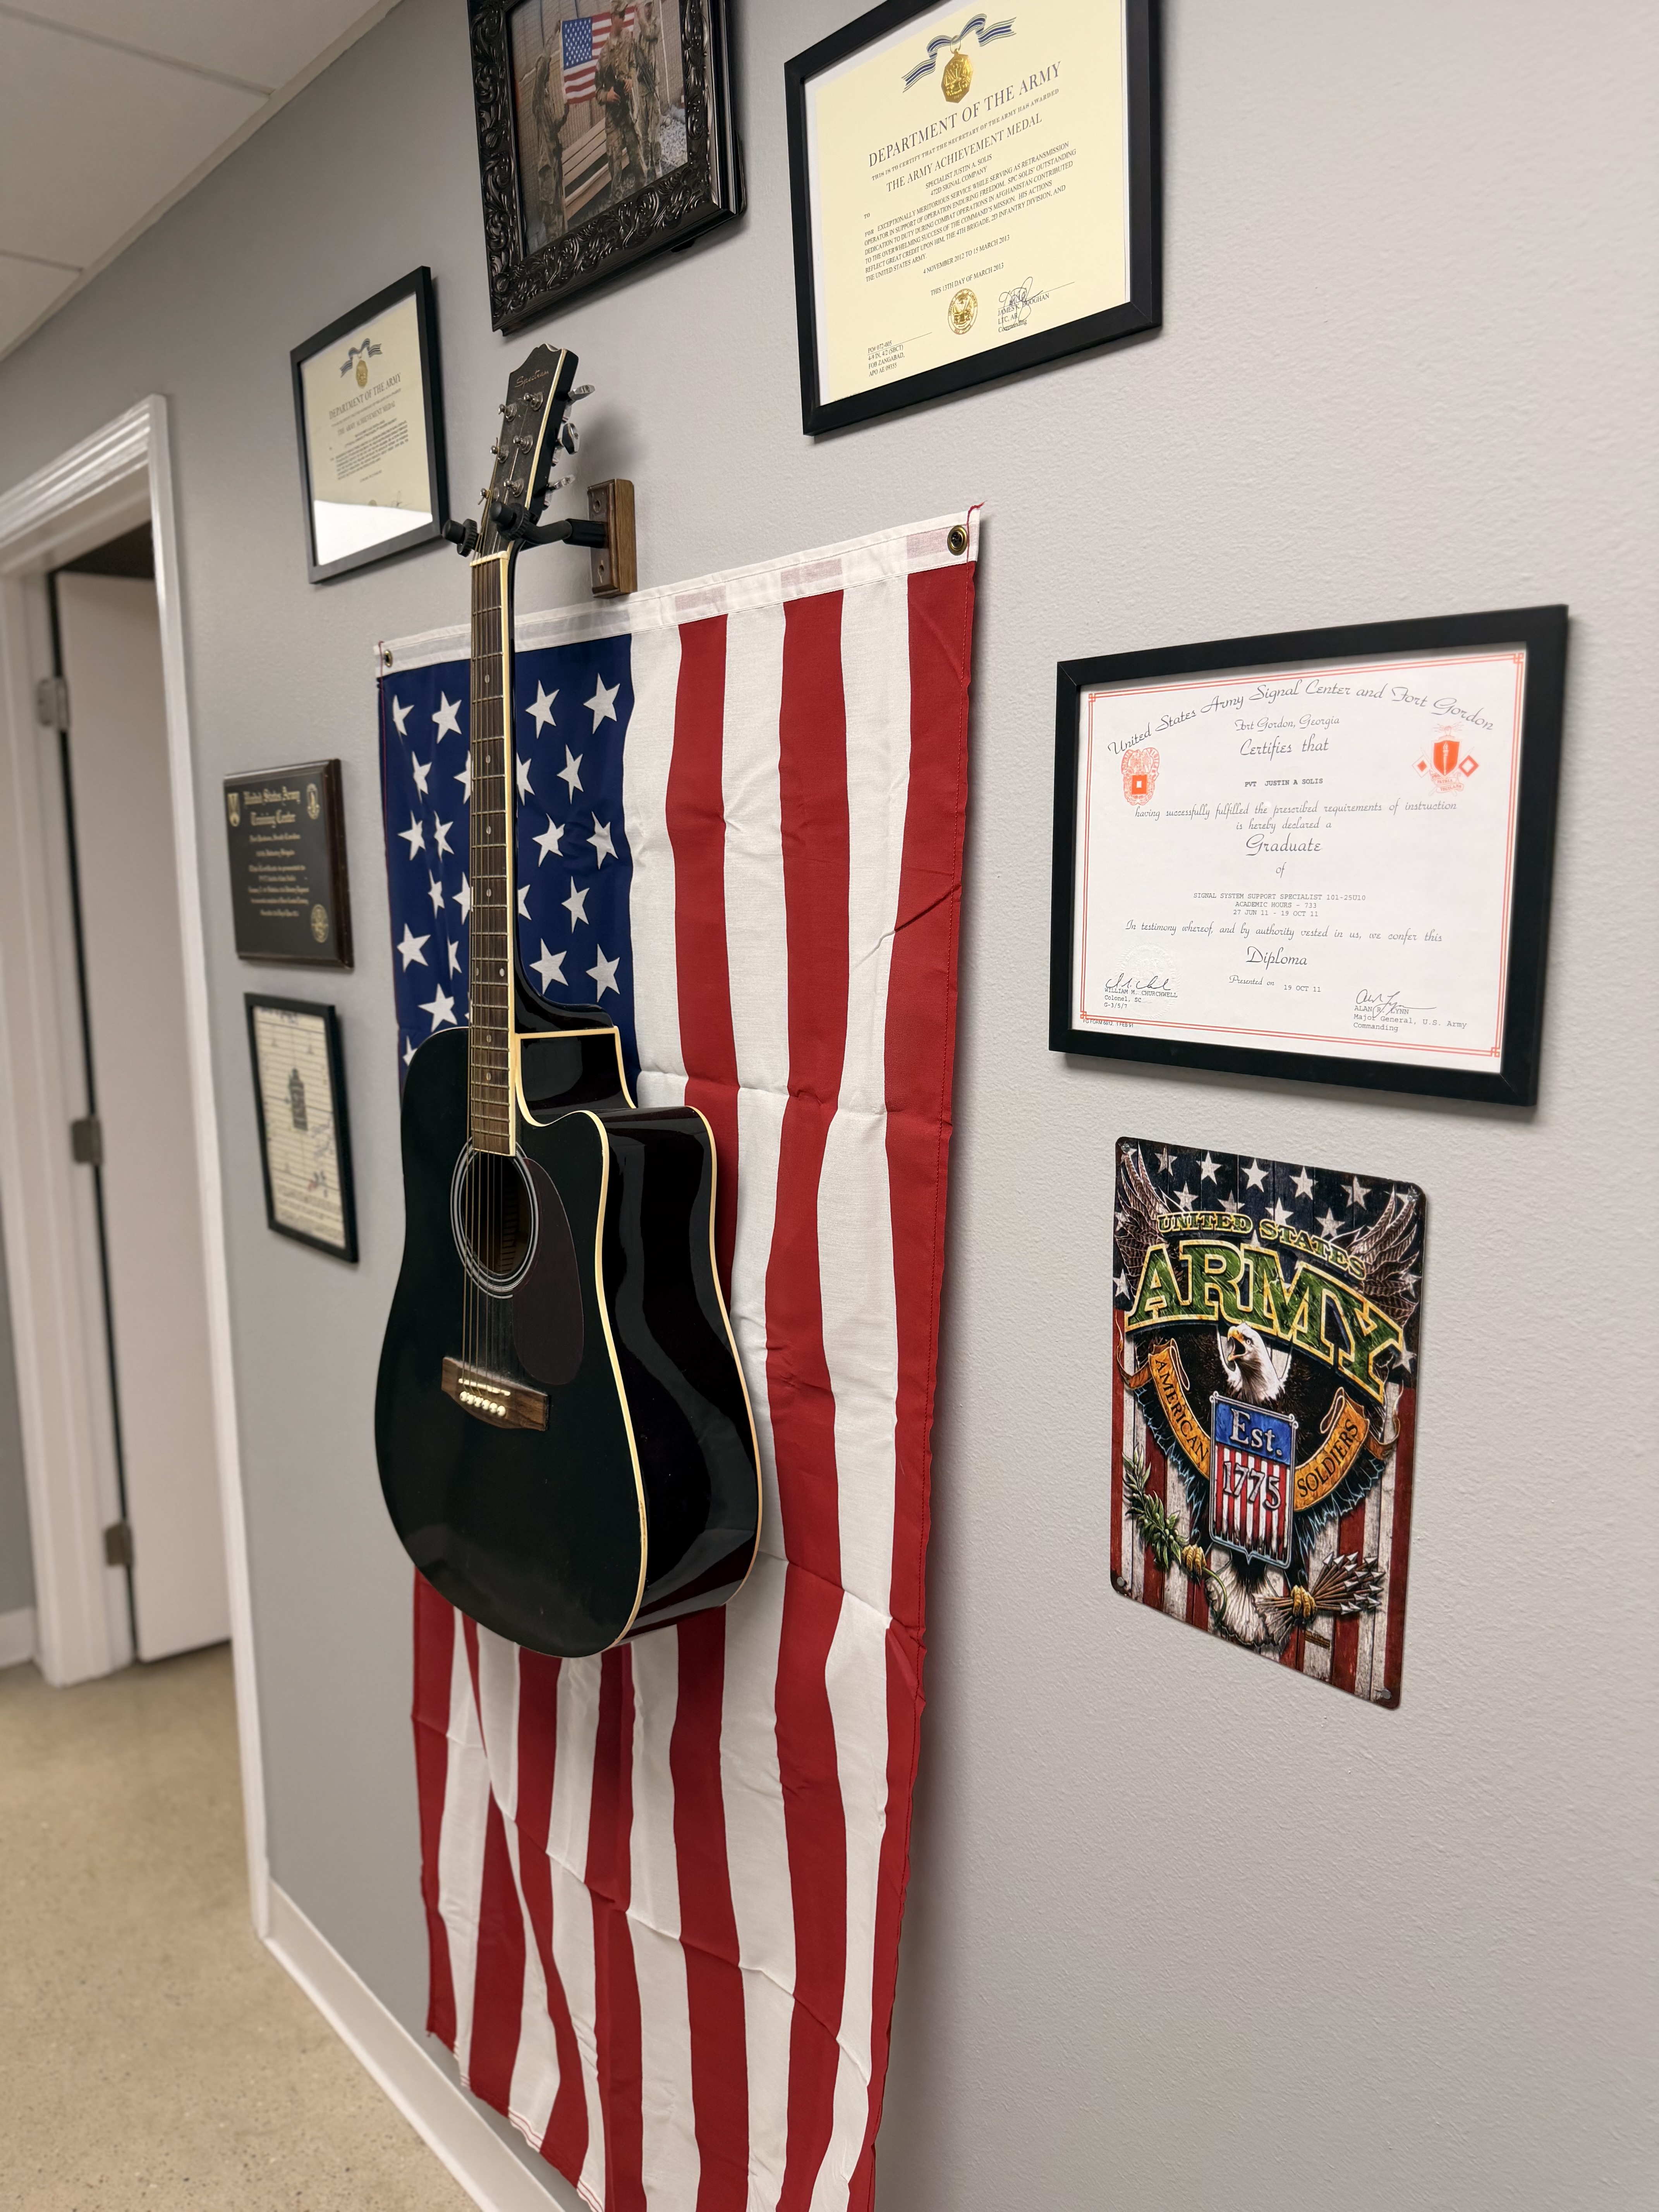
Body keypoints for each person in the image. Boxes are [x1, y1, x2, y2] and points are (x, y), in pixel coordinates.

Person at [594, 21, 645, 201]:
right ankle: (619, 206)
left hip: (629, 114)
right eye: (618, 15)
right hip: (613, 121)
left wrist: (631, 78)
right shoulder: (603, 56)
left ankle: (644, 197)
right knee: (616, 170)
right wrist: (606, 96)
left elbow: (633, 64)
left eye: (623, 14)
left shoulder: (628, 41)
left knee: (638, 161)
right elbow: (597, 91)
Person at [530, 51, 566, 245]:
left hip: (555, 158)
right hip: (546, 165)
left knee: (559, 206)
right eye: (545, 71)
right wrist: (553, 36)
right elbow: (543, 63)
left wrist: (564, 117)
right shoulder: (537, 101)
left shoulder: (547, 97)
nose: (548, 73)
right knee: (550, 209)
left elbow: (552, 128)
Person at [634, 2, 664, 180]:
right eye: (645, 7)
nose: (648, 9)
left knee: (655, 131)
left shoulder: (655, 24)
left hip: (653, 86)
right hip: (642, 90)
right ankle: (646, 162)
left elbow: (650, 34)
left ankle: (657, 162)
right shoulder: (639, 35)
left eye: (650, 5)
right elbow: (636, 59)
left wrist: (639, 19)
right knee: (644, 132)